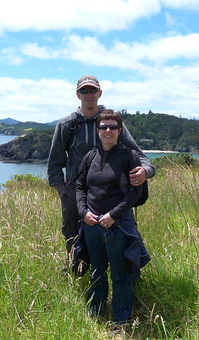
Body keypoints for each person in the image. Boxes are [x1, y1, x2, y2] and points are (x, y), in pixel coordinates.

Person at [47, 75, 155, 254]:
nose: (89, 94)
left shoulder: (110, 124)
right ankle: (78, 272)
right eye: (84, 90)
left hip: (111, 192)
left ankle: (127, 275)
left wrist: (145, 171)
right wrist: (63, 191)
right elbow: (55, 163)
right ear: (78, 94)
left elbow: (138, 154)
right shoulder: (67, 124)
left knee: (123, 234)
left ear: (100, 93)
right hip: (76, 191)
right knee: (73, 235)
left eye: (92, 90)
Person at [75, 109, 150, 324]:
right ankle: (96, 313)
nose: (108, 130)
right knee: (97, 270)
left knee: (120, 274)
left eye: (113, 127)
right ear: (97, 130)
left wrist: (113, 215)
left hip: (118, 225)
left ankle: (121, 318)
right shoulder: (90, 156)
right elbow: (80, 186)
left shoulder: (129, 156)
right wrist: (83, 212)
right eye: (103, 127)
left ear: (119, 130)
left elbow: (134, 192)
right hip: (92, 223)